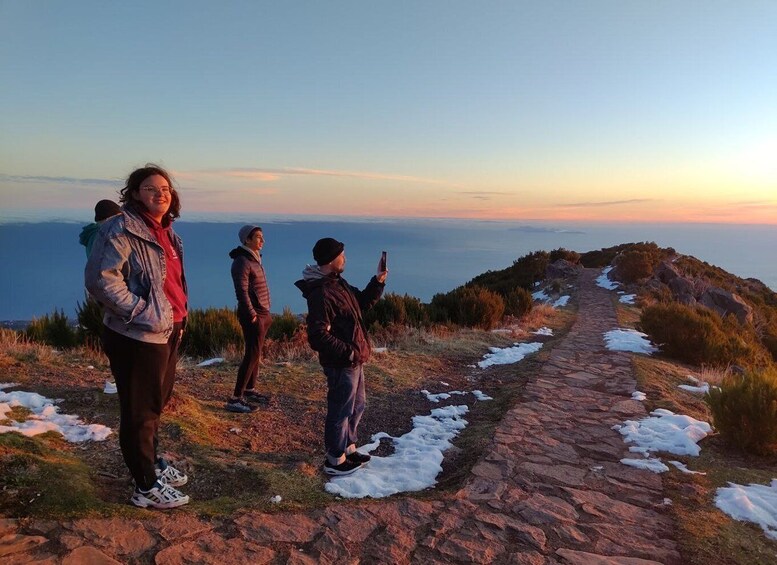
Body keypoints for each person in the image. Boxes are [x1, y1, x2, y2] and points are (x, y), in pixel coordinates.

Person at [85, 164, 190, 509]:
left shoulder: (168, 232)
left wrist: (177, 319)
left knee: (155, 405)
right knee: (139, 411)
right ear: (133, 194)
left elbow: (171, 283)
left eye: (164, 188)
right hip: (138, 335)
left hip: (167, 332)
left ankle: (152, 462)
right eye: (150, 188)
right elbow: (101, 280)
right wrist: (143, 313)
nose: (160, 193)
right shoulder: (120, 228)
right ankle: (145, 486)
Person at [295, 238, 387, 475]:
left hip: (353, 359)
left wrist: (377, 282)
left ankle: (349, 447)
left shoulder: (337, 283)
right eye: (342, 255)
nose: (345, 258)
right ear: (330, 259)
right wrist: (348, 352)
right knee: (341, 410)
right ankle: (335, 460)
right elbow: (316, 336)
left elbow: (362, 303)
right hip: (342, 362)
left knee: (357, 405)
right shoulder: (322, 292)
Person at [226, 224, 272, 413]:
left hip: (262, 313)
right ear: (247, 239)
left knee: (256, 352)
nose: (262, 240)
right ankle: (236, 398)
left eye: (262, 237)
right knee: (251, 353)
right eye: (258, 237)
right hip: (253, 315)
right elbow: (242, 292)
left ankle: (249, 389)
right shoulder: (242, 261)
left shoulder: (255, 259)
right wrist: (252, 314)